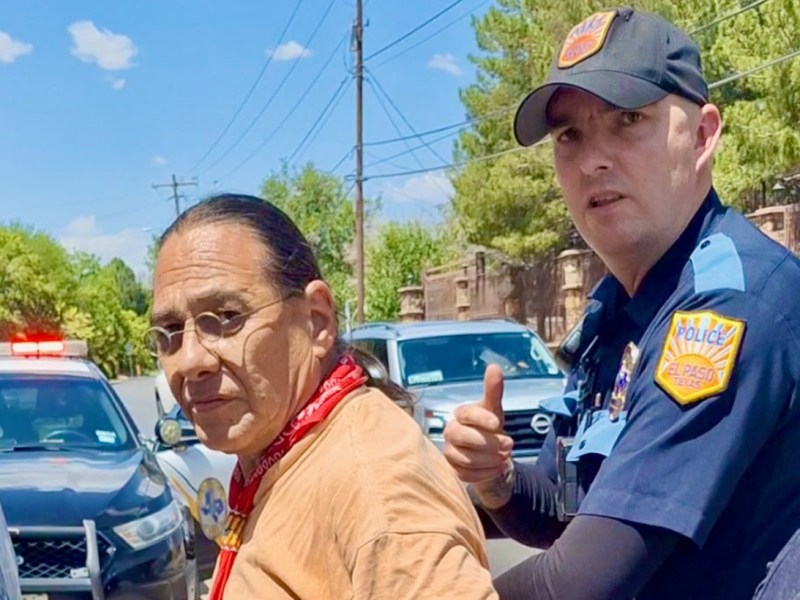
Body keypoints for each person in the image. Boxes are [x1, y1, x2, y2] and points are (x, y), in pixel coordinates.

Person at [443, 7, 800, 599]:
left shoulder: (727, 306)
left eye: (629, 118)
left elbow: (582, 583)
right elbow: (569, 515)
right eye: (569, 136)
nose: (592, 160)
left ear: (704, 135)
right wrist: (498, 481)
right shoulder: (619, 313)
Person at [148, 194, 498, 600]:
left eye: (227, 318)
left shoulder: (379, 493)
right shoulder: (282, 450)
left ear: (317, 321)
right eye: (169, 330)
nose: (189, 359)